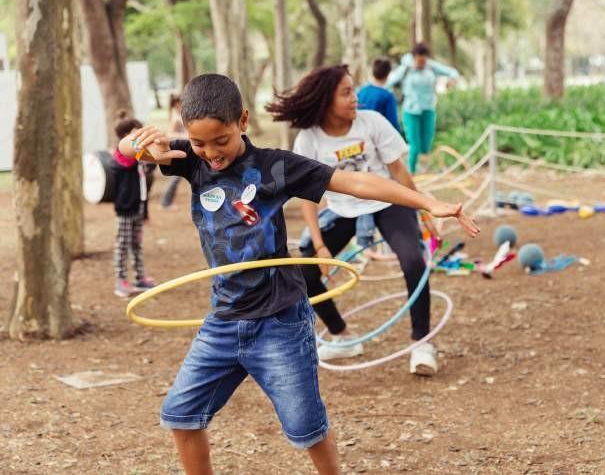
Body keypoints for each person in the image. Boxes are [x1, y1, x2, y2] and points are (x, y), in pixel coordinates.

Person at [120, 73, 479, 475]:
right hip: (224, 320)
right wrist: (136, 144)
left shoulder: (275, 166)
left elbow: (356, 181)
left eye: (220, 141)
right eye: (199, 142)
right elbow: (127, 151)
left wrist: (427, 203)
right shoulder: (191, 162)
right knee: (180, 416)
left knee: (306, 429)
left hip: (279, 321)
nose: (211, 153)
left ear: (242, 120)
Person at [266, 65, 450, 374]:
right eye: (347, 93)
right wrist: (321, 246)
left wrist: (424, 209)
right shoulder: (309, 139)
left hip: (386, 202)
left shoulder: (372, 123)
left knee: (413, 261)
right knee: (305, 273)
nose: (356, 98)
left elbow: (399, 173)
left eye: (354, 90)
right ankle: (343, 336)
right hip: (342, 209)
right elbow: (308, 196)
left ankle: (422, 343)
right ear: (326, 100)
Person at [387, 43, 459, 172]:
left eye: (424, 60)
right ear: (414, 58)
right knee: (415, 146)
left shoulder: (430, 66)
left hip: (428, 110)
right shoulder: (406, 68)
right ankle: (411, 173)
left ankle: (419, 167)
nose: (422, 63)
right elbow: (389, 82)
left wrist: (451, 80)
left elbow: (453, 72)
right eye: (419, 60)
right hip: (411, 111)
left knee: (425, 146)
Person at [111, 113, 156, 298]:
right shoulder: (121, 156)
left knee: (136, 244)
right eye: (136, 133)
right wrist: (140, 152)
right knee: (122, 245)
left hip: (138, 207)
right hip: (125, 208)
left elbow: (149, 168)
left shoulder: (138, 156)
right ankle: (120, 281)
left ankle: (140, 277)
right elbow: (127, 164)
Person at [357, 58, 401, 134]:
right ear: (388, 74)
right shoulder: (387, 96)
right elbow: (392, 122)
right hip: (380, 137)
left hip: (361, 134)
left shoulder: (361, 91)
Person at [160, 94, 186, 208]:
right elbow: (170, 134)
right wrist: (186, 136)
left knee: (176, 177)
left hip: (182, 147)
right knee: (175, 178)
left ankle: (166, 202)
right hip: (178, 148)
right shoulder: (176, 118)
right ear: (176, 104)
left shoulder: (180, 115)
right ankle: (166, 202)